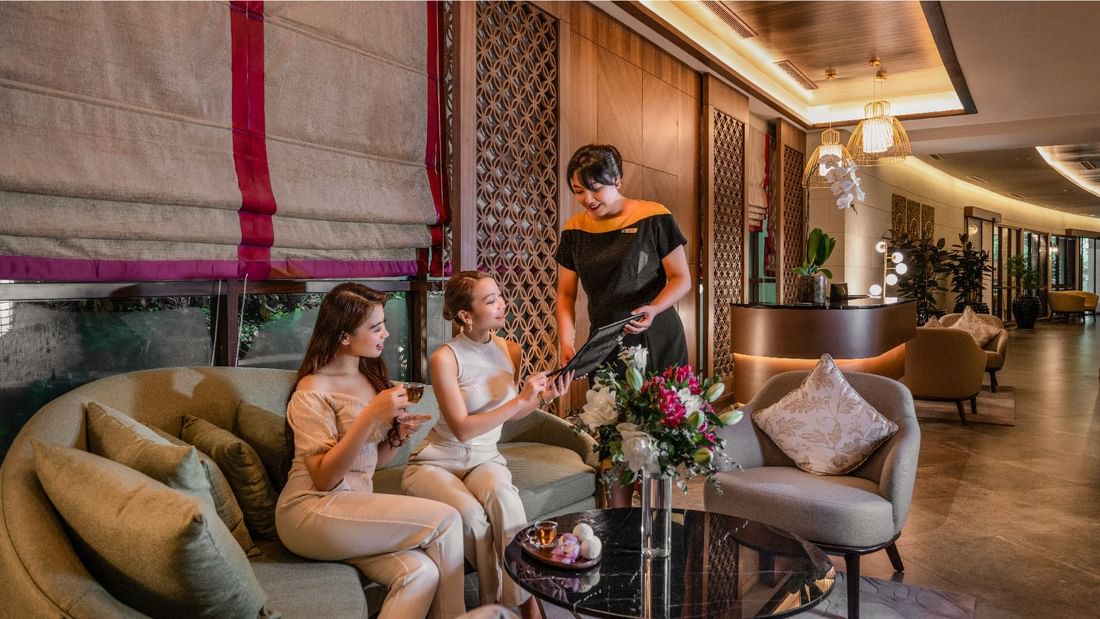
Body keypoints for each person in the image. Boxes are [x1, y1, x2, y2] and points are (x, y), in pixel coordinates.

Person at [275, 283, 465, 619]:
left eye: (383, 325)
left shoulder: (369, 377)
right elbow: (324, 479)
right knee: (447, 519)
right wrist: (369, 418)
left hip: (350, 507)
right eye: (376, 327)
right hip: (310, 510)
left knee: (421, 572)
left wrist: (395, 439)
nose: (386, 334)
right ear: (344, 336)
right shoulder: (312, 390)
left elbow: (365, 465)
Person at [402, 271, 572, 619]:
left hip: (485, 458)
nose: (501, 305)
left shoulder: (510, 350)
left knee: (506, 501)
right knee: (473, 519)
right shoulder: (445, 358)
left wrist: (544, 397)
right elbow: (463, 429)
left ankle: (527, 604)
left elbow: (510, 414)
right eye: (490, 300)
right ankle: (490, 607)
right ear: (465, 315)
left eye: (500, 296)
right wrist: (521, 398)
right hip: (437, 462)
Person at [555, 143, 691, 376]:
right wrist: (566, 343)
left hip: (655, 331)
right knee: (604, 399)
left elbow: (681, 278)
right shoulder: (574, 230)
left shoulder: (654, 216)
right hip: (604, 340)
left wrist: (654, 309)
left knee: (662, 398)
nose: (588, 199)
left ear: (617, 180)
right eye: (578, 191)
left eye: (595, 189)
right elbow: (566, 294)